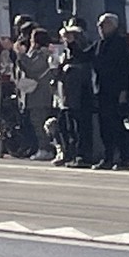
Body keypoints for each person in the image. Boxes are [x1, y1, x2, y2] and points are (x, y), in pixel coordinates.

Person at [92, 13, 129, 170]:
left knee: (117, 125)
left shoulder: (120, 42)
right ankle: (108, 157)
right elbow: (86, 55)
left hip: (116, 90)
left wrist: (124, 91)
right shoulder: (100, 44)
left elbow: (126, 69)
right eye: (99, 25)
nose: (100, 28)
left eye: (104, 25)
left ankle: (125, 159)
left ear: (113, 25)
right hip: (102, 89)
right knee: (105, 126)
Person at [53, 22, 94, 168]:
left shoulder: (82, 55)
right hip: (67, 97)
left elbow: (81, 68)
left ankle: (83, 155)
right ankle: (70, 153)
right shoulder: (65, 54)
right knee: (67, 127)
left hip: (80, 96)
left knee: (81, 128)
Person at [17, 28, 57, 160]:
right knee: (38, 121)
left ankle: (45, 148)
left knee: (39, 121)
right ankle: (44, 147)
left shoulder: (42, 54)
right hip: (38, 93)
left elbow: (32, 68)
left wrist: (21, 55)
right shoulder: (39, 53)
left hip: (40, 94)